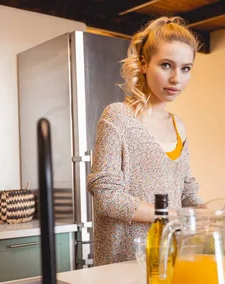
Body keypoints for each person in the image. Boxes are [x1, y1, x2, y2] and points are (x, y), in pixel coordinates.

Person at [87, 16, 203, 266]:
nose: (176, 79)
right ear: (143, 64)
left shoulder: (178, 125)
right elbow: (107, 197)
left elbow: (186, 190)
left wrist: (207, 215)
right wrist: (171, 216)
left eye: (185, 68)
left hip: (169, 261)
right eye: (166, 65)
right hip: (123, 264)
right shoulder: (118, 117)